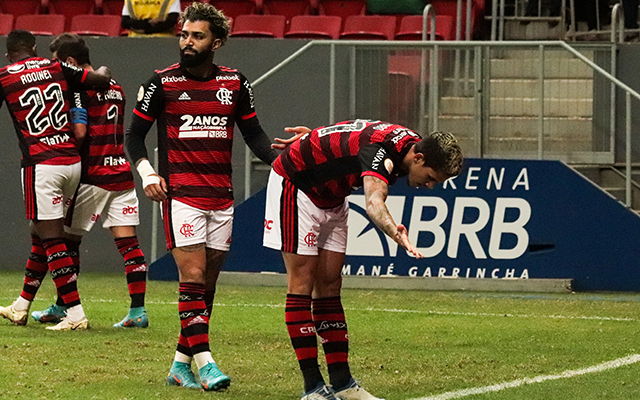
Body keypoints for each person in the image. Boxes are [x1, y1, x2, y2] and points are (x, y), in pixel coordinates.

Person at [125, 1, 298, 391]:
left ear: (216, 42)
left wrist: (282, 162)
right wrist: (148, 173)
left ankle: (179, 364)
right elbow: (134, 136)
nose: (187, 42)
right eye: (184, 34)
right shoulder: (161, 82)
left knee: (207, 286)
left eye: (197, 36)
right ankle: (207, 364)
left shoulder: (235, 84)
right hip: (181, 194)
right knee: (193, 276)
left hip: (221, 196)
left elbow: (254, 134)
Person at [263, 120, 464, 400]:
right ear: (418, 158)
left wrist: (317, 141)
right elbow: (374, 203)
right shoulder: (380, 152)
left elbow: (354, 129)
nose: (429, 185)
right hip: (297, 186)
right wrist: (396, 233)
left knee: (331, 285)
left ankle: (343, 384)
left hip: (331, 196)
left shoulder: (411, 144)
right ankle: (312, 387)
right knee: (302, 283)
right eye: (431, 177)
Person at [28, 33, 150, 329]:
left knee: (64, 243)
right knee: (129, 245)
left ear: (69, 62)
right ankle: (137, 311)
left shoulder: (78, 89)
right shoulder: (116, 87)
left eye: (58, 63)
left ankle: (63, 307)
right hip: (120, 174)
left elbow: (79, 132)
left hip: (91, 175)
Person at [0, 30, 111, 331]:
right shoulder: (57, 67)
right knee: (40, 233)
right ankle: (21, 306)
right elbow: (100, 81)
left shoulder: (4, 76)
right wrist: (104, 70)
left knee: (51, 240)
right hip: (72, 164)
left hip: (41, 164)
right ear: (34, 49)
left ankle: (75, 314)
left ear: (9, 54)